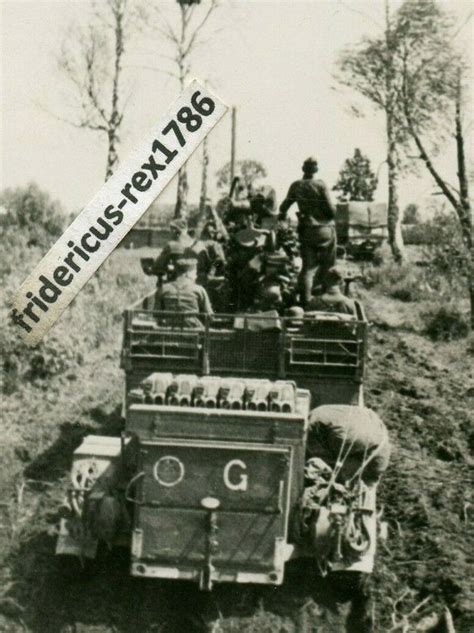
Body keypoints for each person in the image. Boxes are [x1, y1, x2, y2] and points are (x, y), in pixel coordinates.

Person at [279, 157, 337, 307]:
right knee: (327, 266)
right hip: (324, 229)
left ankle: (305, 301)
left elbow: (283, 207)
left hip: (307, 230)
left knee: (308, 268)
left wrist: (284, 216)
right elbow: (331, 211)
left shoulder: (296, 185)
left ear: (303, 168)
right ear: (316, 169)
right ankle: (326, 300)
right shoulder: (320, 185)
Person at [153, 256, 213, 329]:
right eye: (195, 273)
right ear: (187, 273)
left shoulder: (163, 288)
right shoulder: (199, 290)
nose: (196, 276)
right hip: (193, 329)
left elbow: (156, 314)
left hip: (169, 329)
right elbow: (210, 316)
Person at [151, 218, 194, 283]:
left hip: (177, 280)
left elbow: (158, 266)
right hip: (194, 280)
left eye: (171, 229)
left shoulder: (172, 245)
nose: (170, 231)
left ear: (175, 231)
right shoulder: (195, 243)